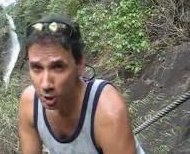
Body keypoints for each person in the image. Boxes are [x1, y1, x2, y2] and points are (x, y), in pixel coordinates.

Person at [18, 14, 145, 154]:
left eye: (58, 67)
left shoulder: (107, 110)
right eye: (36, 68)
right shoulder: (30, 104)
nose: (46, 84)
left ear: (80, 64)